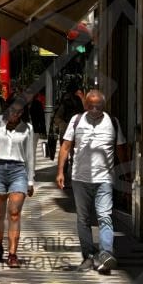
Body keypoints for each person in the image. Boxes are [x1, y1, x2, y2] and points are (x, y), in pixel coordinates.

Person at [55, 87, 128, 274]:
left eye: (99, 106)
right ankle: (88, 256)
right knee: (83, 219)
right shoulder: (76, 120)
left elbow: (120, 149)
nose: (95, 109)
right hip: (80, 178)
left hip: (104, 178)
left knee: (105, 216)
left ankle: (105, 255)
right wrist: (60, 171)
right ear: (85, 105)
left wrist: (125, 172)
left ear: (104, 105)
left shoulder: (113, 122)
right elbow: (65, 146)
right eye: (91, 105)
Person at [0, 96, 36, 267]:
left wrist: (31, 180)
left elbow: (30, 156)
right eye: (12, 110)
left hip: (18, 171)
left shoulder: (27, 128)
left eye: (19, 111)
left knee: (14, 212)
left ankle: (12, 254)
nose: (15, 114)